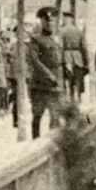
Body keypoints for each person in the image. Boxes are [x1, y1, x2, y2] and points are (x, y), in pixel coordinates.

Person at [28, 7, 63, 139]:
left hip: (56, 85)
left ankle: (52, 143)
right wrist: (49, 75)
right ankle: (35, 142)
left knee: (55, 116)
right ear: (42, 22)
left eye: (53, 21)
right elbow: (35, 61)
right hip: (40, 85)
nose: (50, 23)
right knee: (37, 115)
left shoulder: (57, 39)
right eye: (47, 21)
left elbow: (60, 59)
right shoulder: (36, 39)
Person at [60, 12, 88, 103]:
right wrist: (86, 61)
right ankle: (78, 96)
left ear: (66, 19)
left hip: (66, 56)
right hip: (77, 56)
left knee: (67, 78)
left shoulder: (62, 31)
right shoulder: (78, 31)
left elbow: (60, 46)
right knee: (78, 78)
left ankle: (69, 96)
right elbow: (84, 47)